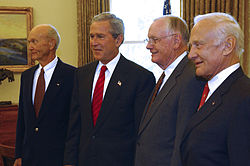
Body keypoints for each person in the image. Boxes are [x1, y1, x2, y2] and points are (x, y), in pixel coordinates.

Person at [63, 12, 155, 166]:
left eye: (100, 36)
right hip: (85, 160)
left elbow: (142, 132)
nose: (93, 42)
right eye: (92, 36)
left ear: (118, 39)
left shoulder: (140, 77)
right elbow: (75, 124)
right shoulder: (81, 74)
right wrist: (69, 161)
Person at [180, 12, 250, 166]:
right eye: (191, 47)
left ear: (227, 46)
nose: (190, 55)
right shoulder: (203, 90)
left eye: (198, 45)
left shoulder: (244, 97)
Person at [134, 15, 204, 166]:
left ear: (176, 41)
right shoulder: (167, 76)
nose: (149, 46)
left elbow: (182, 140)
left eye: (155, 40)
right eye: (148, 40)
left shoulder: (191, 77)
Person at [14, 24, 76, 166]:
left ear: (51, 44)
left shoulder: (72, 75)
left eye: (34, 41)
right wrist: (18, 154)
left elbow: (75, 122)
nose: (30, 47)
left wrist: (71, 159)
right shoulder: (27, 76)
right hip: (29, 158)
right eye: (29, 42)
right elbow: (22, 118)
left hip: (58, 158)